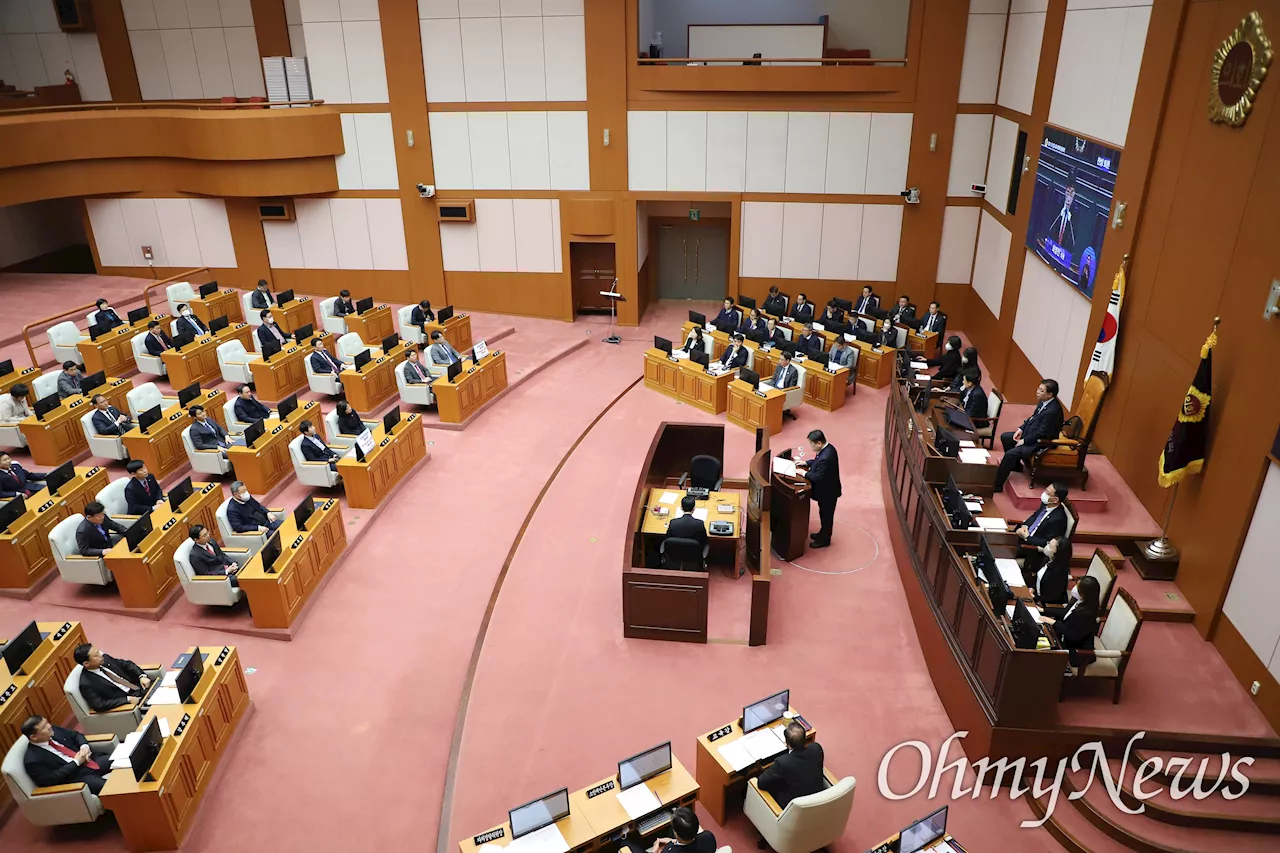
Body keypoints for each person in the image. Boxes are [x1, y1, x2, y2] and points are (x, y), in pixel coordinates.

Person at [992, 379, 1066, 491]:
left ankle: (997, 486)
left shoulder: (1053, 411)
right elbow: (1033, 418)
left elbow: (1042, 432)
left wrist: (1024, 440)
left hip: (1042, 442)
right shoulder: (1043, 402)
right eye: (1038, 389)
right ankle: (1016, 466)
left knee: (1010, 454)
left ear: (1050, 394)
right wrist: (1020, 429)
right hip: (1032, 433)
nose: (1037, 392)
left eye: (1041, 390)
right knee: (1006, 437)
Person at [20, 715, 111, 795]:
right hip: (78, 777)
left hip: (91, 761)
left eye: (47, 722)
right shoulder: (32, 760)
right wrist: (76, 762)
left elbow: (76, 735)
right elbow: (50, 780)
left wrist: (84, 747)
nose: (49, 726)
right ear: (33, 737)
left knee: (122, 759)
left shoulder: (53, 730)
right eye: (44, 727)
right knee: (110, 787)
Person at [757, 722, 826, 807]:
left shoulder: (782, 762)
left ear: (787, 743)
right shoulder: (816, 749)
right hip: (819, 798)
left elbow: (761, 783)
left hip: (795, 806)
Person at [1044, 574, 1100, 669]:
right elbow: (1065, 613)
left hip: (1076, 651)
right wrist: (1043, 610)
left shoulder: (1085, 614)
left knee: (1042, 655)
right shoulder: (1079, 601)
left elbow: (1072, 634)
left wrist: (1053, 622)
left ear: (1084, 593)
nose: (1074, 588)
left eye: (1078, 587)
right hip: (1064, 639)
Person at [73, 644, 151, 711]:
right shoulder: (86, 683)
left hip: (142, 687)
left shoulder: (105, 659)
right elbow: (100, 705)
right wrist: (127, 700)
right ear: (86, 663)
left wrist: (142, 676)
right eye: (96, 655)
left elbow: (127, 664)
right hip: (133, 702)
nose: (101, 655)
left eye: (98, 651)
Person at [1015, 482, 1069, 576]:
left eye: (1047, 493)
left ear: (1055, 500)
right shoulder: (1046, 504)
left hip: (1030, 548)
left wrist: (1027, 538)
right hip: (1023, 537)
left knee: (1002, 548)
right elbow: (1034, 516)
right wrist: (1025, 526)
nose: (1044, 494)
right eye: (1045, 490)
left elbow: (1047, 542)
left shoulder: (1058, 519)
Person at [798, 430, 841, 547]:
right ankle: (822, 533)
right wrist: (806, 463)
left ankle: (824, 540)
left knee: (826, 516)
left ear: (819, 443)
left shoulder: (826, 457)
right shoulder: (827, 449)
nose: (810, 446)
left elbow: (817, 477)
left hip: (828, 493)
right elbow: (817, 462)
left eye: (811, 444)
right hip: (826, 491)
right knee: (823, 514)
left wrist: (803, 473)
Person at [619, 807, 714, 853]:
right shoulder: (709, 837)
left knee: (624, 843)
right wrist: (673, 841)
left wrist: (654, 851)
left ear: (676, 834)